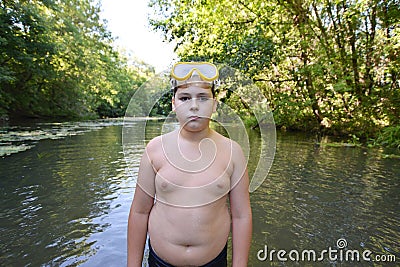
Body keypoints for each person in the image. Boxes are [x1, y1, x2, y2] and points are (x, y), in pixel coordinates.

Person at [127, 62, 252, 267]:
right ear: (174, 104)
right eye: (185, 98)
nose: (194, 106)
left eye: (203, 98)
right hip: (161, 261)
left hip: (213, 261)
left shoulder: (233, 152)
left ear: (214, 104)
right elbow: (140, 212)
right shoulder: (155, 150)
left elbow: (241, 216)